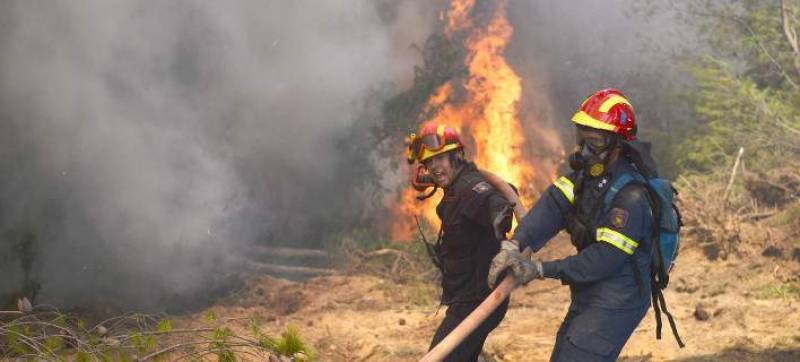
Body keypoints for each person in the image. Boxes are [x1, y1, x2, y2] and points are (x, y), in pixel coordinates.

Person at [488, 89, 659, 361]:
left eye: (596, 142)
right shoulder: (584, 179)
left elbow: (605, 258)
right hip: (590, 290)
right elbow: (550, 209)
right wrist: (514, 244)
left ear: (618, 145)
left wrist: (541, 269)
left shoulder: (631, 196)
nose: (586, 149)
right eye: (583, 139)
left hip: (619, 297)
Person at [407, 122, 514, 362]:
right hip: (467, 300)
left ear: (456, 156)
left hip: (479, 302)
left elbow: (493, 202)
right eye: (428, 163)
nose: (434, 167)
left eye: (440, 159)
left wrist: (500, 220)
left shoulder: (469, 187)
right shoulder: (455, 190)